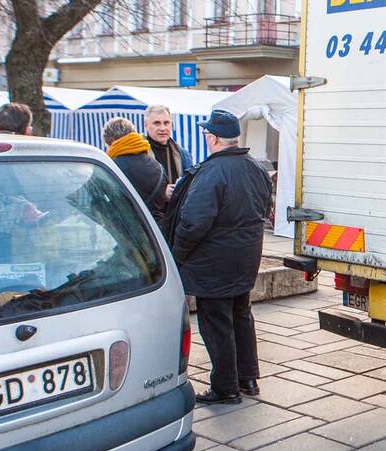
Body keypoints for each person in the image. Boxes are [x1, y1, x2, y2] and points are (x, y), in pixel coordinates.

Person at [164, 110, 272, 405]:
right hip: (245, 259)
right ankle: (247, 378)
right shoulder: (256, 168)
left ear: (212, 138)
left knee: (217, 325)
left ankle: (226, 388)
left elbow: (193, 223)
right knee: (241, 316)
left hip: (213, 264)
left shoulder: (211, 173)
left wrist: (177, 256)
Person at [102, 117, 167, 223]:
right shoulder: (158, 166)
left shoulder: (110, 168)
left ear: (112, 141)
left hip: (127, 232)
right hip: (156, 232)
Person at [144, 105, 192, 201]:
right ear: (146, 125)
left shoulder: (183, 154)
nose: (162, 128)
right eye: (157, 123)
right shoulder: (138, 154)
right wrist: (161, 193)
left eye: (166, 123)